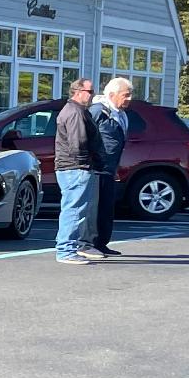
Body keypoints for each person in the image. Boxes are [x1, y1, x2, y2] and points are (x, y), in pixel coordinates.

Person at [54, 79, 102, 265]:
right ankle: (66, 250)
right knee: (74, 210)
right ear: (78, 91)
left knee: (75, 208)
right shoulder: (74, 113)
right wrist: (85, 164)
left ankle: (69, 247)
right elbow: (78, 143)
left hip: (72, 167)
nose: (92, 95)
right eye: (90, 91)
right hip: (75, 168)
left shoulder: (76, 111)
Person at [89, 77, 134, 257]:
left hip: (109, 167)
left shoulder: (121, 114)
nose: (129, 98)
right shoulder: (98, 111)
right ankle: (89, 243)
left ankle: (102, 243)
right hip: (96, 168)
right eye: (126, 95)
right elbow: (87, 138)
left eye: (130, 94)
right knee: (94, 208)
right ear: (112, 94)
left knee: (107, 207)